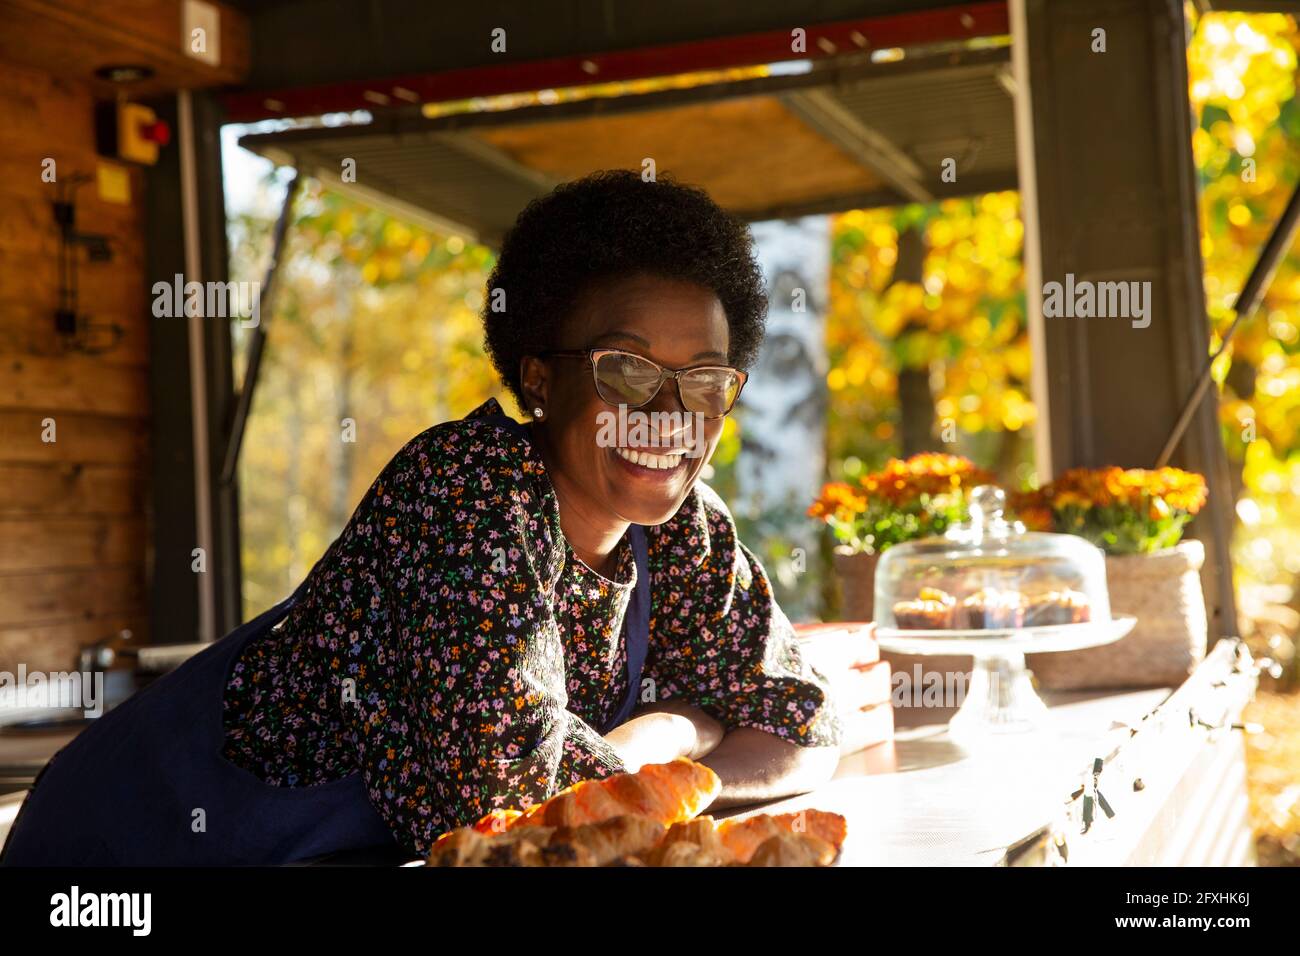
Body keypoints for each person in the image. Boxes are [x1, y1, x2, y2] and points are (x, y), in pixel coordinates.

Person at [1, 170, 842, 865]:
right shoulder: (467, 489)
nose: (669, 415)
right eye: (626, 370)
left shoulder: (686, 530)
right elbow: (500, 811)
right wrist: (680, 727)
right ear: (540, 377)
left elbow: (804, 727)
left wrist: (670, 770)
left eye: (704, 379)